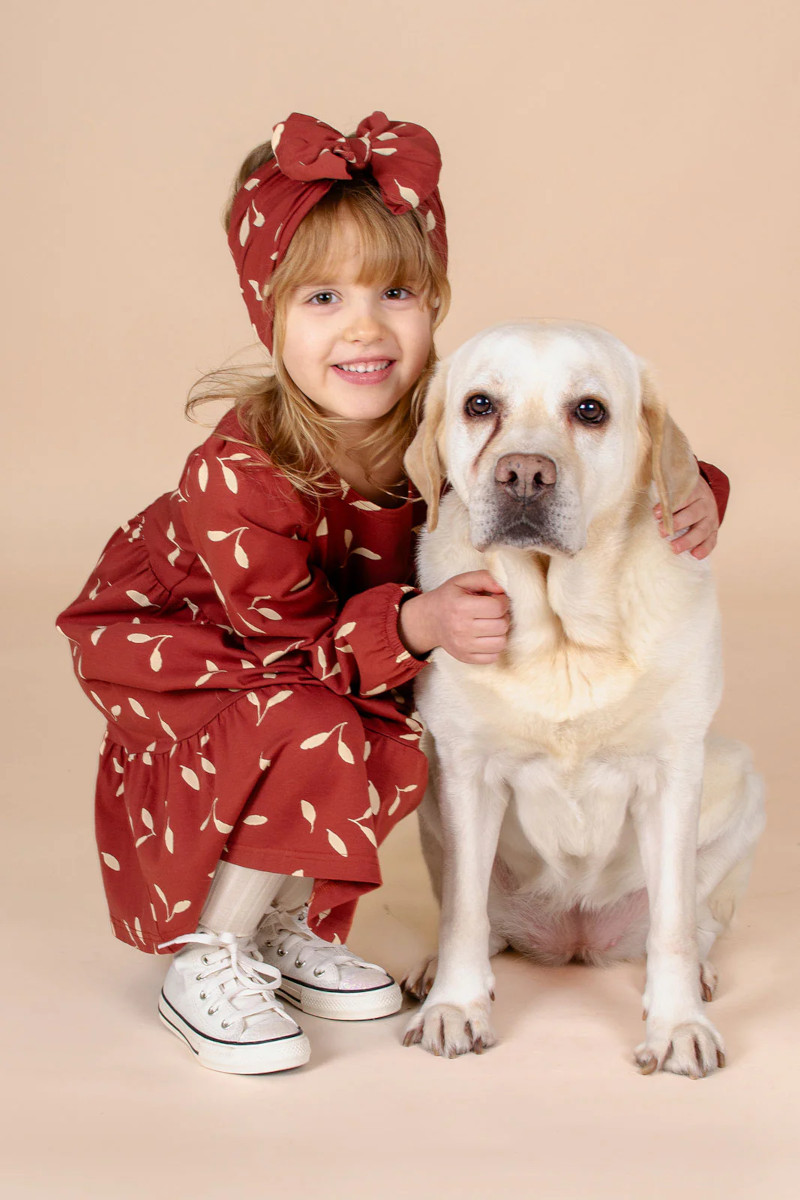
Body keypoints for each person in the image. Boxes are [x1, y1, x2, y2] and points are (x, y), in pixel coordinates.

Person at [56, 110, 730, 1076]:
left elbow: (624, 444)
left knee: (394, 734)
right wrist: (416, 622)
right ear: (269, 317)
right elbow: (285, 642)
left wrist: (696, 487)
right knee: (322, 724)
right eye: (321, 296)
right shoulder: (240, 474)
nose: (364, 326)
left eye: (398, 291)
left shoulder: (440, 407)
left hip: (349, 649)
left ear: (434, 305)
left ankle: (287, 928)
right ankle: (208, 952)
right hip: (222, 654)